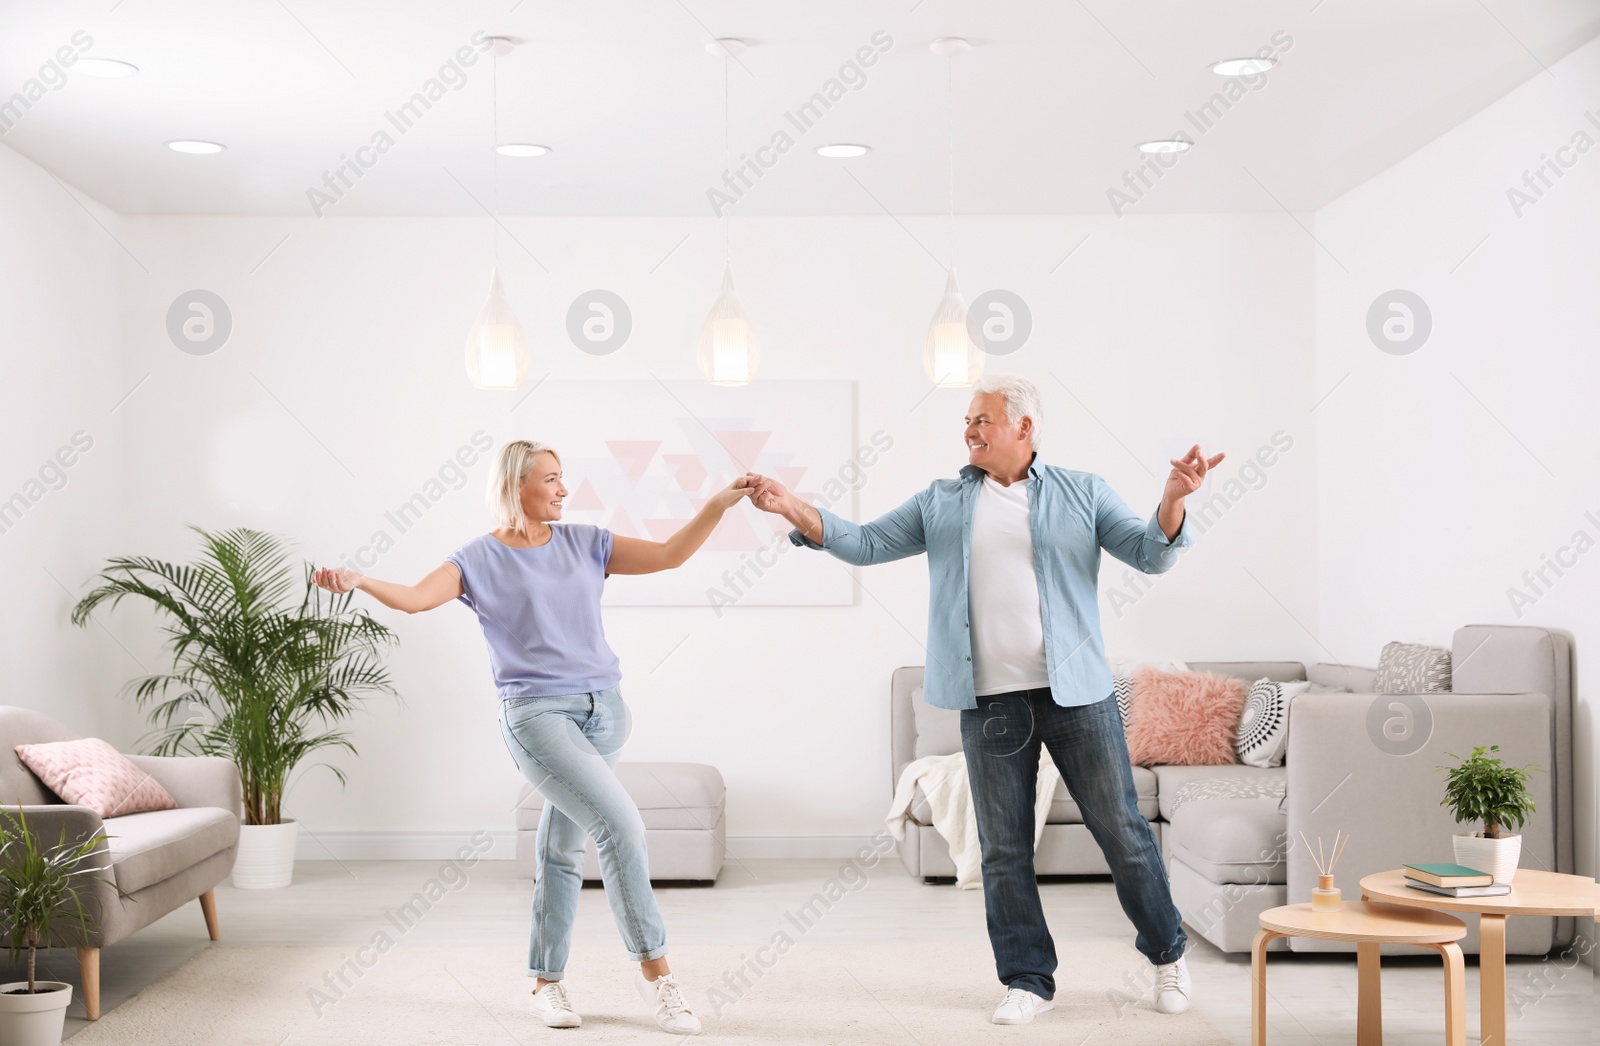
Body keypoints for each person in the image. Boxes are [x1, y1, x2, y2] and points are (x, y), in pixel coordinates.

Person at [742, 374, 1222, 1025]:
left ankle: (1167, 955)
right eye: (967, 420)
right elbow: (866, 542)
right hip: (992, 704)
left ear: (1024, 428)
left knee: (1124, 832)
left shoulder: (1083, 491)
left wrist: (1170, 501)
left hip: (1076, 695)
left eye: (982, 420)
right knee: (1002, 847)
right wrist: (793, 507)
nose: (969, 430)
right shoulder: (942, 502)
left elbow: (1150, 554)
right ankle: (1028, 979)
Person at [314, 438, 749, 1035]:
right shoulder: (476, 559)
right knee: (621, 826)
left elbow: (672, 554)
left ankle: (546, 985)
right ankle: (661, 980)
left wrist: (718, 503)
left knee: (560, 849)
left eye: (562, 477)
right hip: (536, 716)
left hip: (606, 711)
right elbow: (416, 600)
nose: (564, 489)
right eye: (551, 479)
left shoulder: (586, 543)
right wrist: (360, 579)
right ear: (517, 486)